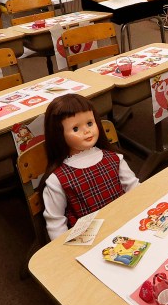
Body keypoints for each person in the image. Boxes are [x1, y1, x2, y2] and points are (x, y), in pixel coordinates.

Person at [39, 94, 139, 240]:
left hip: (125, 224)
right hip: (88, 241)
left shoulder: (114, 158)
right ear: (59, 134)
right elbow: (56, 223)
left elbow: (134, 188)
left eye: (90, 123)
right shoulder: (57, 179)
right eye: (75, 128)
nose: (86, 131)